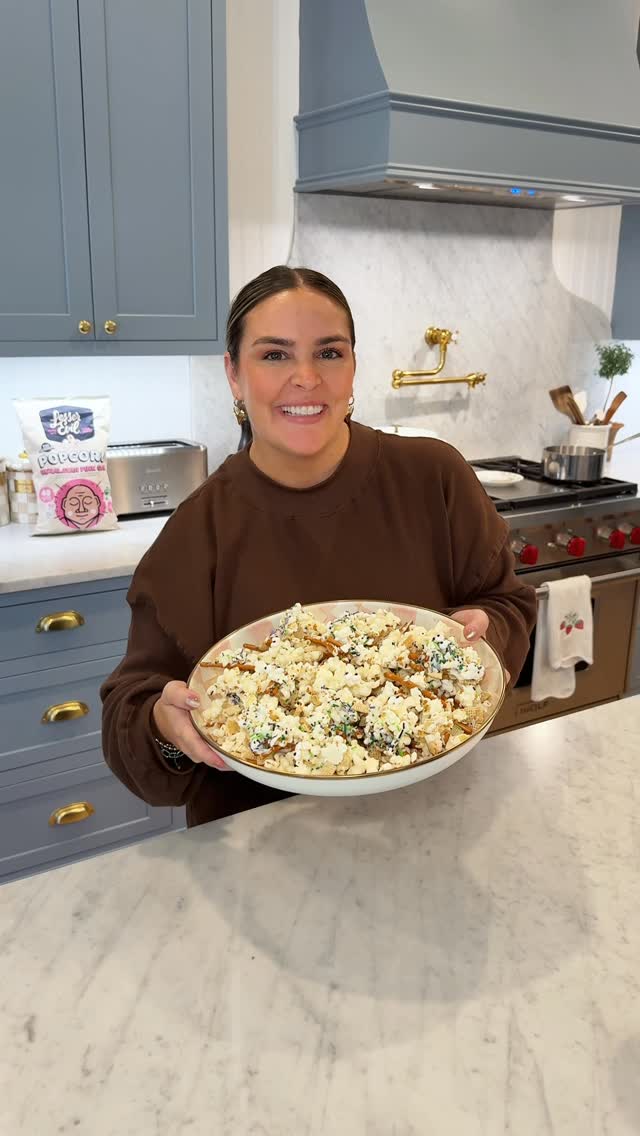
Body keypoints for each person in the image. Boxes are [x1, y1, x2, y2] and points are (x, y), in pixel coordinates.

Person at [101, 266, 536, 827]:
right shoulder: (196, 531)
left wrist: (482, 634)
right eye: (274, 355)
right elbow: (129, 719)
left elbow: (509, 606)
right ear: (233, 374)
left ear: (354, 366)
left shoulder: (435, 478)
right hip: (262, 844)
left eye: (329, 353)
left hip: (428, 820)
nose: (306, 378)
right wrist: (165, 727)